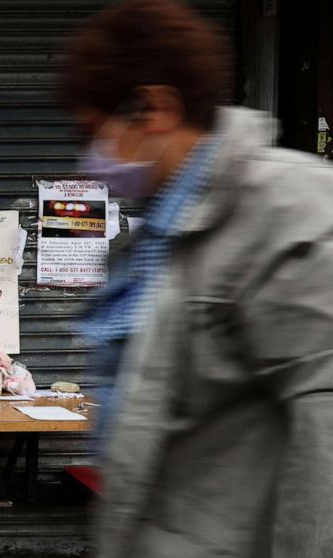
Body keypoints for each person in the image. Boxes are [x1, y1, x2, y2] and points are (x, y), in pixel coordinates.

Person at [65, 2, 333, 557]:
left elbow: (326, 432)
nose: (91, 160)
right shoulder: (156, 235)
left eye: (96, 133)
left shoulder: (287, 209)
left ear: (155, 108)